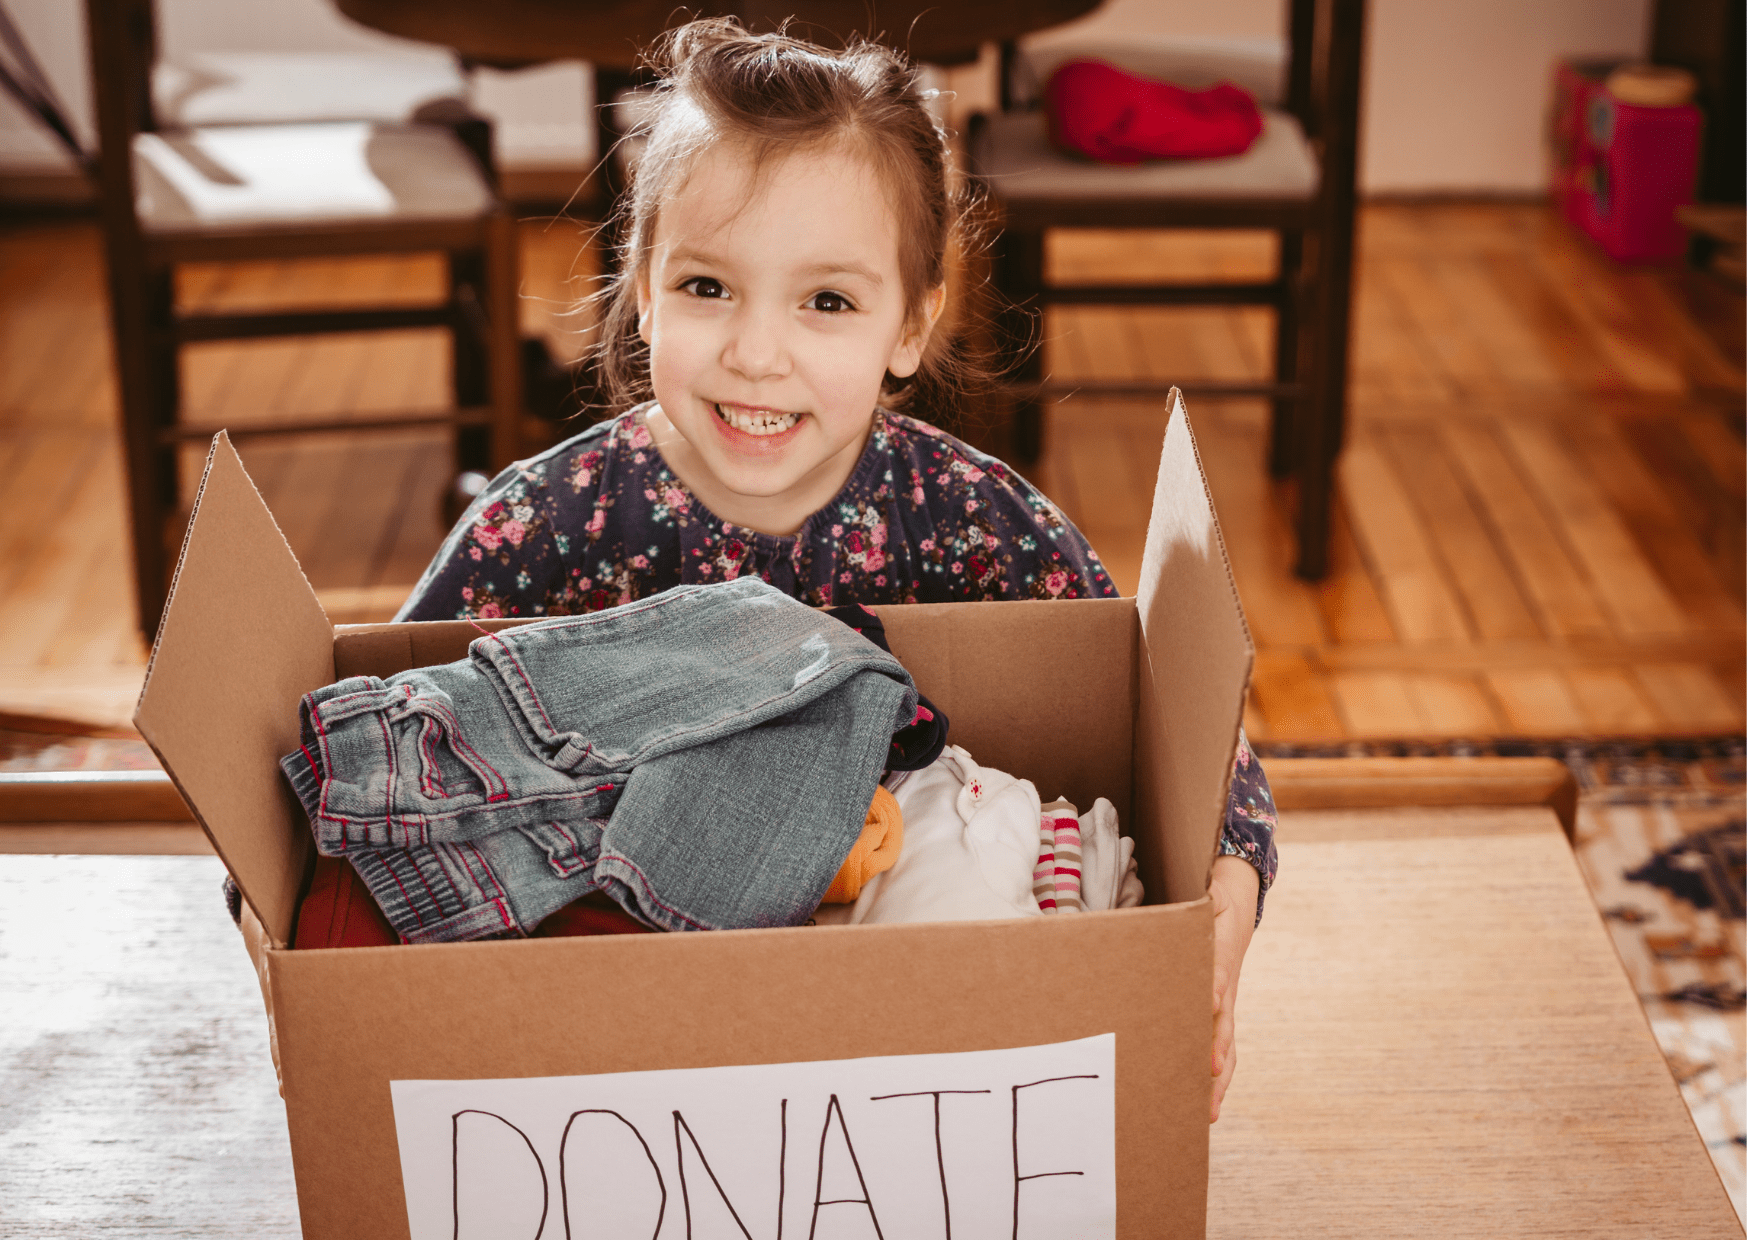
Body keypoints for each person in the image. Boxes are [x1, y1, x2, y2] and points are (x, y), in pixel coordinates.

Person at [396, 17, 1276, 1122]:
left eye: (826, 301)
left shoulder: (965, 516)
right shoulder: (549, 520)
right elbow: (364, 755)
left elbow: (1197, 744)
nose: (756, 353)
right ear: (640, 287)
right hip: (619, 1076)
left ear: (909, 323)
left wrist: (1221, 923)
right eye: (707, 286)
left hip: (907, 1088)